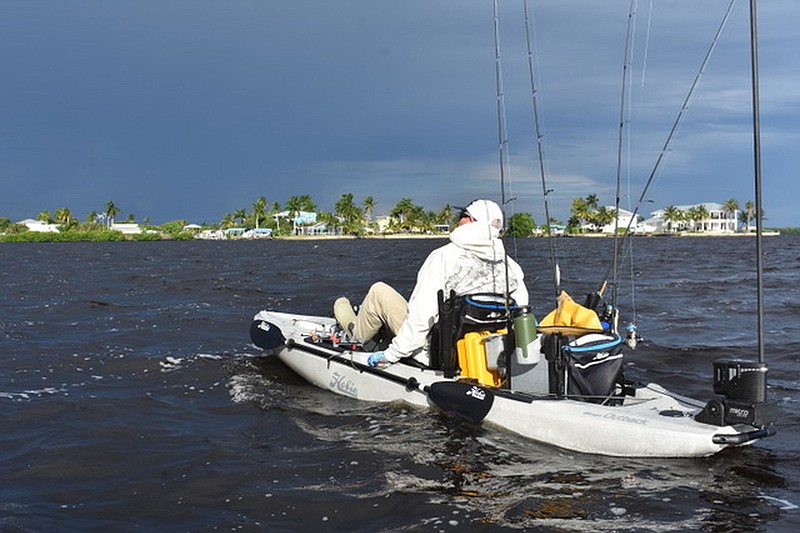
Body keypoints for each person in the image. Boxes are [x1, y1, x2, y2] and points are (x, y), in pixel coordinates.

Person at [334, 199, 528, 367]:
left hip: (435, 354)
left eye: (462, 215)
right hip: (488, 356)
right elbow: (522, 311)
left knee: (379, 291)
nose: (458, 219)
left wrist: (391, 355)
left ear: (470, 221)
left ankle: (356, 334)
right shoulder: (512, 266)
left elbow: (421, 315)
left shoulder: (443, 256)